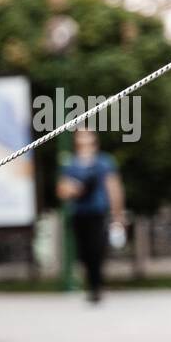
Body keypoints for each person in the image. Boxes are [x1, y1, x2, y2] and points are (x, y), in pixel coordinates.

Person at [57, 127, 125, 303]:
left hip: (98, 212)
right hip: (80, 213)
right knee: (84, 252)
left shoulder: (104, 162)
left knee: (97, 249)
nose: (84, 138)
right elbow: (62, 189)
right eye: (81, 135)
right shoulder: (71, 163)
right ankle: (92, 284)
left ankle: (97, 286)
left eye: (87, 135)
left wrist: (118, 216)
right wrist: (73, 189)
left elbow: (114, 188)